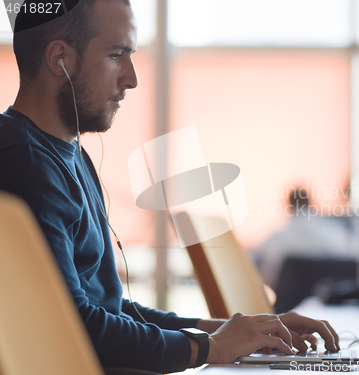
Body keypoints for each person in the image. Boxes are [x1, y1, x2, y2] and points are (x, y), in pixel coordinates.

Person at [0, 1, 339, 373]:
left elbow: (108, 310)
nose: (131, 78)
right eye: (116, 55)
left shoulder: (67, 155)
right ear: (59, 58)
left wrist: (230, 332)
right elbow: (72, 326)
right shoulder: (24, 162)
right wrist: (210, 347)